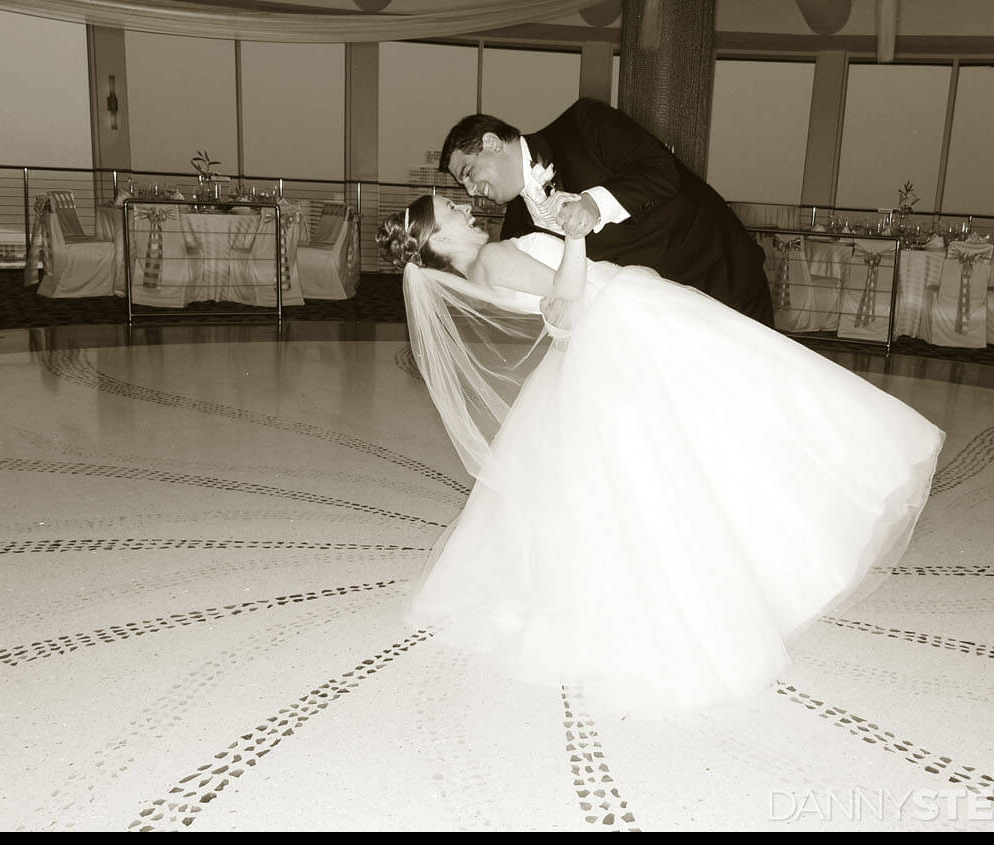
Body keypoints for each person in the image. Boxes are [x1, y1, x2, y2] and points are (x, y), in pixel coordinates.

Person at [378, 193, 944, 718]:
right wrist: (575, 238)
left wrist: (575, 238)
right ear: (436, 237)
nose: (464, 206)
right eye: (450, 208)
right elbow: (564, 310)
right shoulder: (494, 258)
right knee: (750, 411)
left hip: (627, 329)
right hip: (629, 332)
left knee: (694, 448)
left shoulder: (487, 264)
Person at [439, 97, 776, 327]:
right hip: (658, 325)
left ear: (493, 143)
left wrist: (593, 204)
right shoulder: (515, 231)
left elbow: (661, 171)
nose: (471, 191)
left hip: (719, 275)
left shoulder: (583, 124)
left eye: (468, 173)